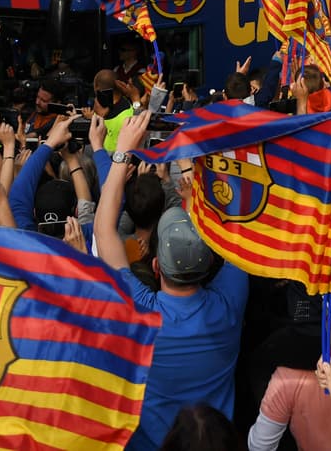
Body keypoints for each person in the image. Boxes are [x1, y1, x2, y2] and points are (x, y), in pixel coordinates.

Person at [95, 112, 249, 451]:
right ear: (211, 260)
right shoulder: (229, 304)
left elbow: (104, 231)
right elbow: (240, 225)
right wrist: (193, 175)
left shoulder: (141, 313)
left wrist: (121, 153)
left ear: (155, 265)